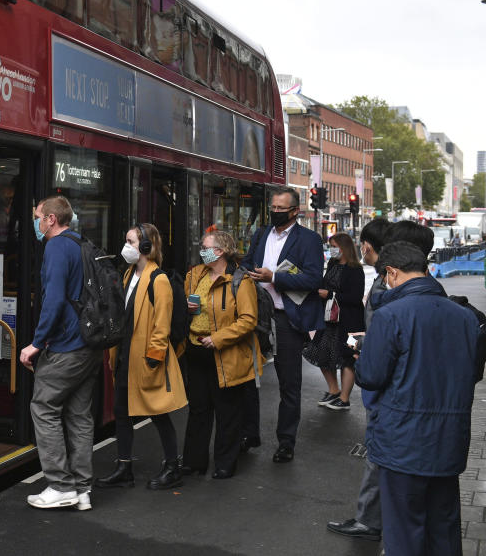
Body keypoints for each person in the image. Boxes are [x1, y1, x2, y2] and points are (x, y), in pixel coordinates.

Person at [355, 241, 480, 556]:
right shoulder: (465, 316)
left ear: (392, 273)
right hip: (449, 440)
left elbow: (371, 376)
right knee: (444, 528)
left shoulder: (390, 315)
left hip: (403, 441)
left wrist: (362, 351)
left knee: (404, 532)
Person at [327, 218, 434, 542]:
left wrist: (366, 352)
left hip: (391, 392)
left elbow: (380, 358)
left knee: (381, 455)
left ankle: (371, 521)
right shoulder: (434, 294)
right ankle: (372, 518)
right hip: (411, 397)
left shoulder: (388, 291)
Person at [20, 195, 102, 511]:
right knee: (80, 416)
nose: (37, 222)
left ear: (51, 219)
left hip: (66, 346)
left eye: (38, 216)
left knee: (43, 407)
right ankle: (82, 489)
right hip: (88, 344)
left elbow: (53, 300)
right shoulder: (81, 243)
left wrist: (36, 344)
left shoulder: (55, 247)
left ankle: (60, 484)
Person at [95, 223, 187, 490]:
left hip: (147, 360)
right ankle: (124, 468)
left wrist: (153, 358)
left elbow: (162, 323)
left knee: (158, 413)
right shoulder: (127, 275)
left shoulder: (158, 279)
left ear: (147, 247)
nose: (127, 247)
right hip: (125, 357)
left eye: (131, 242)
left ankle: (173, 467)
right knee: (122, 413)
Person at [241, 187, 324, 463]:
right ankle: (248, 433)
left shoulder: (309, 240)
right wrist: (249, 275)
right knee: (247, 377)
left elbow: (313, 279)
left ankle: (286, 441)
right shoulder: (262, 234)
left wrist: (274, 276)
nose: (274, 212)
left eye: (280, 208)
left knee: (289, 383)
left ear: (294, 211)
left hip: (286, 317)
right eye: (272, 207)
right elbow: (246, 263)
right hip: (256, 315)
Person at [181, 231, 261, 479]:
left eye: (205, 247)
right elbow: (186, 304)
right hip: (196, 349)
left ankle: (226, 462)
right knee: (198, 409)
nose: (200, 250)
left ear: (220, 251)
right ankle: (194, 462)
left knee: (227, 411)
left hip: (225, 353)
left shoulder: (240, 280)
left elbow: (248, 320)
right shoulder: (195, 275)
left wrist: (218, 339)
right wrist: (186, 307)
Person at [303, 233, 365, 410]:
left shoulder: (355, 269)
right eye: (330, 246)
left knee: (348, 357)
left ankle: (344, 399)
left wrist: (330, 294)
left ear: (344, 248)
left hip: (351, 322)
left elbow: (355, 297)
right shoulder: (332, 264)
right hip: (329, 320)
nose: (331, 250)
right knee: (318, 352)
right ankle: (334, 390)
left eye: (334, 246)